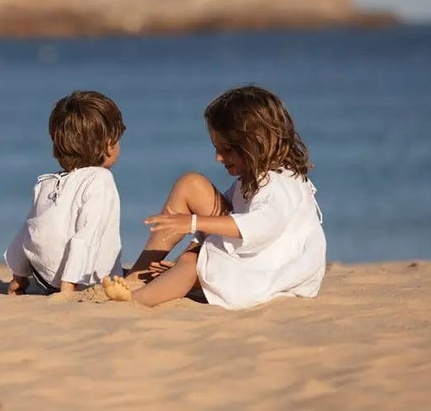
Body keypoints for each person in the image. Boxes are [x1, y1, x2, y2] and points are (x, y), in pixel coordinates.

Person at [103, 85, 325, 309]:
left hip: (269, 264)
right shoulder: (252, 177)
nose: (218, 157)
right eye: (216, 148)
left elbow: (259, 226)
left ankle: (135, 301)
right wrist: (193, 242)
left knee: (191, 264)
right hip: (254, 249)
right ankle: (138, 275)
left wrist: (191, 225)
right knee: (191, 185)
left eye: (227, 150)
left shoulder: (280, 184)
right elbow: (215, 225)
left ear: (255, 145)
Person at [5, 90, 125, 296]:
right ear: (108, 146)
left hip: (44, 278)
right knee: (140, 275)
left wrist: (18, 277)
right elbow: (87, 235)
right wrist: (68, 287)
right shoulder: (101, 180)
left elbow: (28, 232)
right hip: (82, 280)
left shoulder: (47, 183)